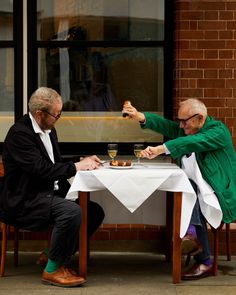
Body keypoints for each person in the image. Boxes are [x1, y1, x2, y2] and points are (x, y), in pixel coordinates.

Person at [0, 87, 105, 287]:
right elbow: (41, 170)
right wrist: (76, 167)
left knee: (93, 211)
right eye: (56, 114)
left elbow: (53, 162)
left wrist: (81, 160)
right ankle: (53, 269)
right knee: (71, 212)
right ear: (40, 113)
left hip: (46, 193)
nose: (59, 118)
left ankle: (51, 255)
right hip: (25, 200)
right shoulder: (20, 134)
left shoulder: (49, 129)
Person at [122, 98, 236, 280]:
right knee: (185, 187)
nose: (181, 126)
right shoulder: (189, 128)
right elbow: (166, 126)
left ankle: (203, 258)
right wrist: (139, 116)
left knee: (187, 190)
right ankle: (191, 238)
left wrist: (162, 148)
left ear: (199, 118)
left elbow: (196, 142)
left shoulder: (217, 131)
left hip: (220, 192)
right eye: (180, 121)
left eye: (185, 121)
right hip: (196, 189)